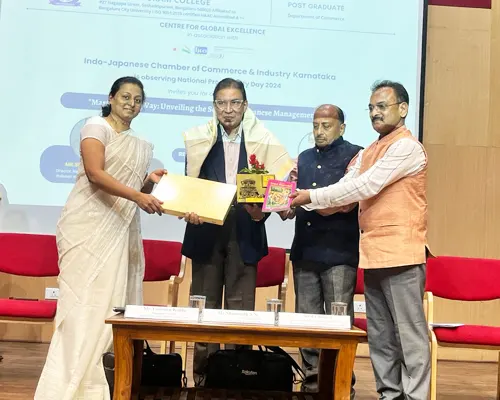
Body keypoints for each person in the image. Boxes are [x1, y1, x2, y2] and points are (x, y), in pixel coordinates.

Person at [290, 80, 431, 400]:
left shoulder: (407, 147)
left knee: (409, 334)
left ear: (403, 109)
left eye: (382, 106)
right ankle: (389, 394)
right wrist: (299, 198)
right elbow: (347, 185)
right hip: (374, 253)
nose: (375, 113)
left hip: (402, 254)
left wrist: (307, 196)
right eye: (371, 108)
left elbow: (365, 186)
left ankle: (414, 397)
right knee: (380, 334)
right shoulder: (370, 150)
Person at [35, 76, 167, 400]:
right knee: (81, 303)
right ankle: (68, 384)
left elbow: (129, 188)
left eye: (138, 100)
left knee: (109, 304)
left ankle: (97, 382)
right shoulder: (96, 126)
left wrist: (147, 182)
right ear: (111, 98)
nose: (131, 104)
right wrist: (139, 195)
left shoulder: (140, 143)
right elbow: (96, 174)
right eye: (125, 97)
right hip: (86, 225)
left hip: (118, 226)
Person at [181, 78, 294, 385]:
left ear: (245, 105)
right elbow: (190, 185)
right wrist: (188, 208)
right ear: (214, 105)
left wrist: (263, 213)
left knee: (240, 308)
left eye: (234, 103)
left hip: (246, 229)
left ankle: (236, 377)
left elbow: (277, 189)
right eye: (221, 103)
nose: (228, 109)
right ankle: (203, 379)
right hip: (205, 230)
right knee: (203, 307)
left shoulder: (264, 141)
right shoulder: (199, 140)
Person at [282, 104, 362, 397]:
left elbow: (346, 202)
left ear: (342, 127)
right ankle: (312, 385)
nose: (319, 131)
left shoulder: (355, 155)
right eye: (315, 126)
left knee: (339, 324)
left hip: (339, 253)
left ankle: (341, 386)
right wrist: (278, 203)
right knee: (307, 322)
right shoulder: (302, 158)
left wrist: (305, 200)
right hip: (305, 251)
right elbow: (287, 205)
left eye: (326, 126)